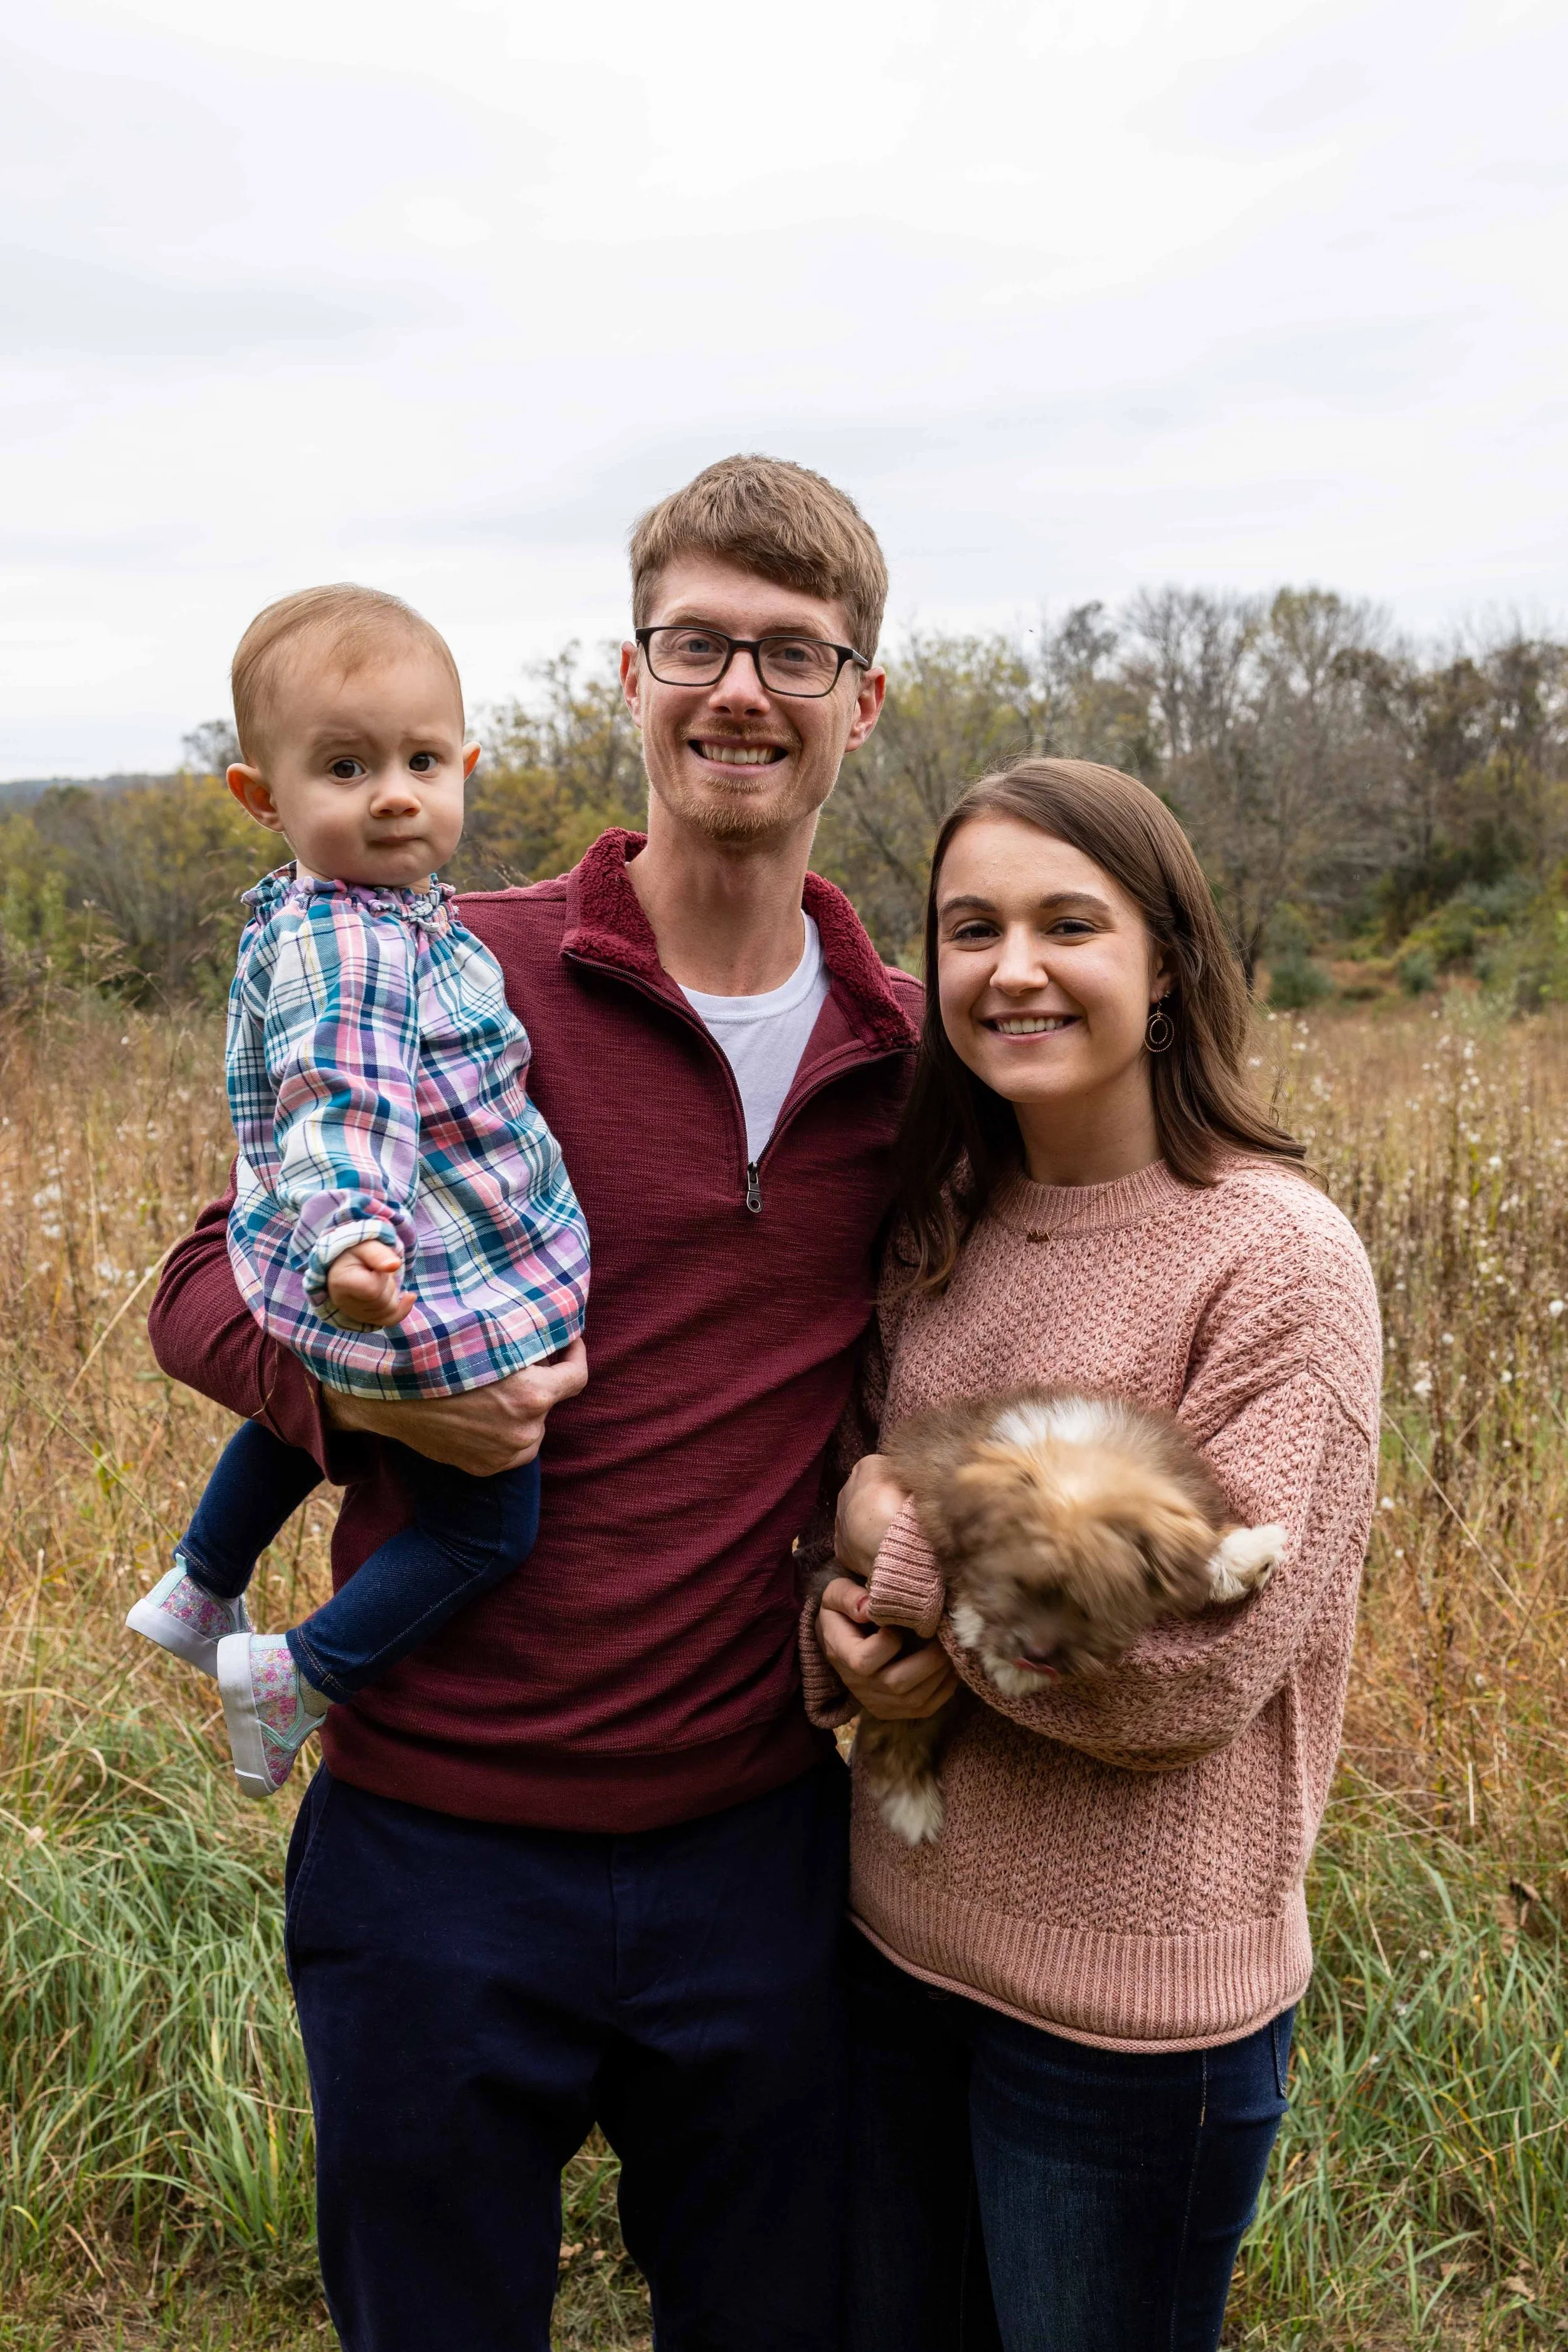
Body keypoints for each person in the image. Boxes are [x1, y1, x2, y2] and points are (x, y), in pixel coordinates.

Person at [147, 455, 919, 2352]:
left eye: (795, 654)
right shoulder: (444, 962)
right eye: (697, 642)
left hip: (756, 1846)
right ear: (631, 670)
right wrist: (389, 1408)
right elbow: (195, 1283)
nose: (741, 689)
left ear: (861, 699)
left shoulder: (907, 1052)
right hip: (435, 1852)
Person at [807, 758, 1380, 2352]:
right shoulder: (938, 1226)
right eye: (969, 928)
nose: (1013, 969)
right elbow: (839, 1531)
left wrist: (891, 1545)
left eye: (1070, 923)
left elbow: (1178, 1683)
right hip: (890, 1946)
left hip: (1131, 2032)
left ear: (1168, 961)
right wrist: (843, 1619)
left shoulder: (1271, 1256)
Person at [128, 585, 590, 1798]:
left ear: (467, 766)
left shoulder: (369, 911)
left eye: (422, 760)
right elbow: (346, 1095)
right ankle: (296, 1671)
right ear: (260, 797)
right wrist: (355, 1237)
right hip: (406, 1261)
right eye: (346, 765)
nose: (394, 791)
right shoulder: (356, 938)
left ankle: (203, 1576)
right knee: (488, 1524)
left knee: (296, 1423)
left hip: (365, 1252)